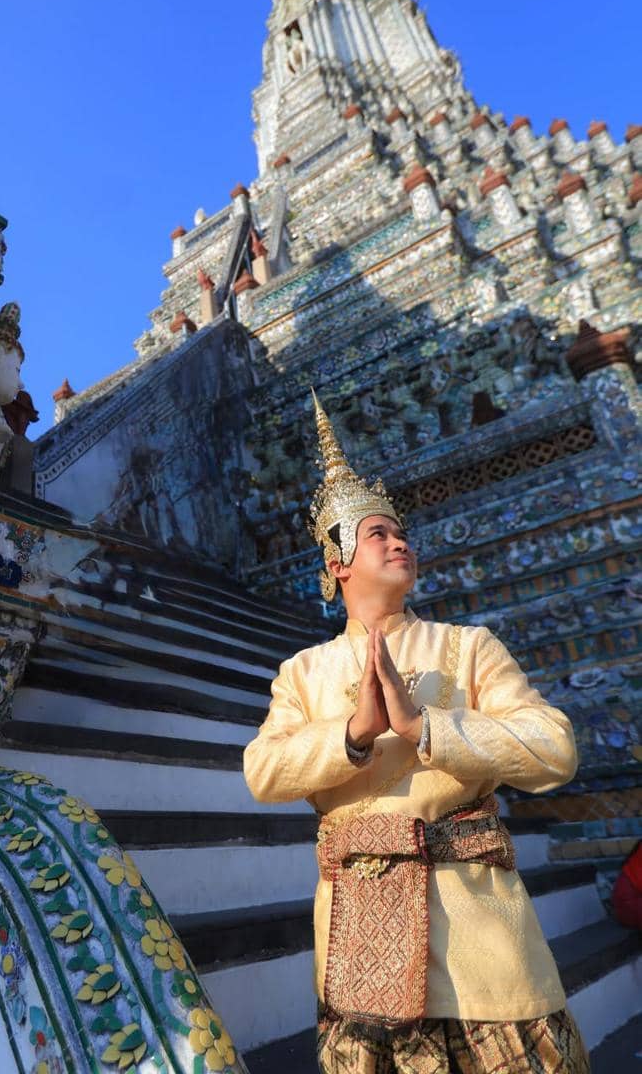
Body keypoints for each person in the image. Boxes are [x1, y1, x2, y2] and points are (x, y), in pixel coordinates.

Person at [243, 391, 589, 1073]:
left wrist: (426, 727)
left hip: (476, 920)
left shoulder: (466, 647)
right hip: (359, 931)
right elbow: (265, 772)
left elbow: (555, 748)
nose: (399, 541)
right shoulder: (305, 671)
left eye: (399, 533)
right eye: (377, 534)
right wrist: (356, 732)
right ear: (337, 563)